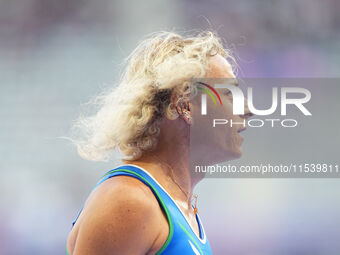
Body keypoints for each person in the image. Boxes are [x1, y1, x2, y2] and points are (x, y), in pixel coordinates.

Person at [66, 31, 252, 255]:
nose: (248, 110)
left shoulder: (181, 209)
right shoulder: (130, 200)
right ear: (185, 105)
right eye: (229, 94)